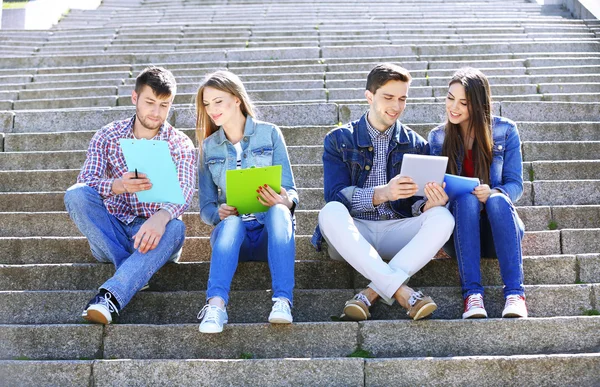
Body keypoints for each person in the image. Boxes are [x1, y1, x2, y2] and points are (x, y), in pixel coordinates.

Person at [312, 63, 455, 321]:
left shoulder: (416, 144)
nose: (396, 106)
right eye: (388, 97)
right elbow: (335, 195)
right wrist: (382, 193)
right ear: (369, 96)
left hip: (397, 231)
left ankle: (370, 293)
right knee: (329, 211)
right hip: (353, 233)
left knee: (443, 218)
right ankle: (403, 293)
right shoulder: (338, 140)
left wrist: (428, 205)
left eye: (402, 99)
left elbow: (415, 203)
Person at [64, 66, 197, 324]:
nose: (156, 112)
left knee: (177, 228)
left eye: (164, 105)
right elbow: (86, 183)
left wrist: (161, 217)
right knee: (76, 194)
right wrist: (118, 185)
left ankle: (110, 297)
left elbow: (184, 192)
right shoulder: (107, 136)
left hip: (154, 236)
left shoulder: (180, 143)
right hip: (110, 234)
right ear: (134, 98)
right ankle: (134, 268)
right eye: (150, 102)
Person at [195, 70, 298, 334]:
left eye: (218, 101)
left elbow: (291, 191)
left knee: (278, 212)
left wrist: (284, 201)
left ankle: (282, 301)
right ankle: (216, 306)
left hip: (269, 236)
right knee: (230, 224)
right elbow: (205, 207)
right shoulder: (208, 147)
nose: (212, 110)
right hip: (234, 239)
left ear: (237, 99)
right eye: (207, 104)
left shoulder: (270, 134)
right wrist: (219, 212)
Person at [428, 67, 527, 319]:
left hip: (499, 232)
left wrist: (493, 192)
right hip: (460, 236)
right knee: (466, 200)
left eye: (463, 102)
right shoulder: (438, 138)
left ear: (479, 104)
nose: (454, 107)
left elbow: (515, 185)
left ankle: (515, 294)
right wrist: (434, 200)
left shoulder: (505, 131)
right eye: (450, 98)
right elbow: (429, 188)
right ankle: (472, 296)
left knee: (496, 200)